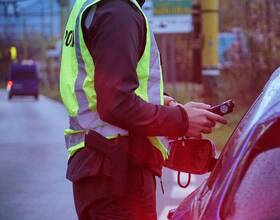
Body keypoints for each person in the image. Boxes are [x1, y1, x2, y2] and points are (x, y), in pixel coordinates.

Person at [59, 0, 227, 219]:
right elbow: (116, 104)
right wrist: (182, 121)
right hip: (118, 176)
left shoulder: (97, 6)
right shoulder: (118, 12)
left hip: (102, 171)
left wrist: (165, 103)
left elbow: (104, 85)